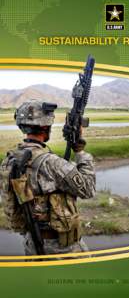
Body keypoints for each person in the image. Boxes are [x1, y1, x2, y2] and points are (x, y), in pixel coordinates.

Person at [0, 100, 96, 255]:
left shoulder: (10, 160)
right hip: (61, 248)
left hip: (32, 241)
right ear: (46, 126)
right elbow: (88, 189)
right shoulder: (51, 163)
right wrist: (80, 153)